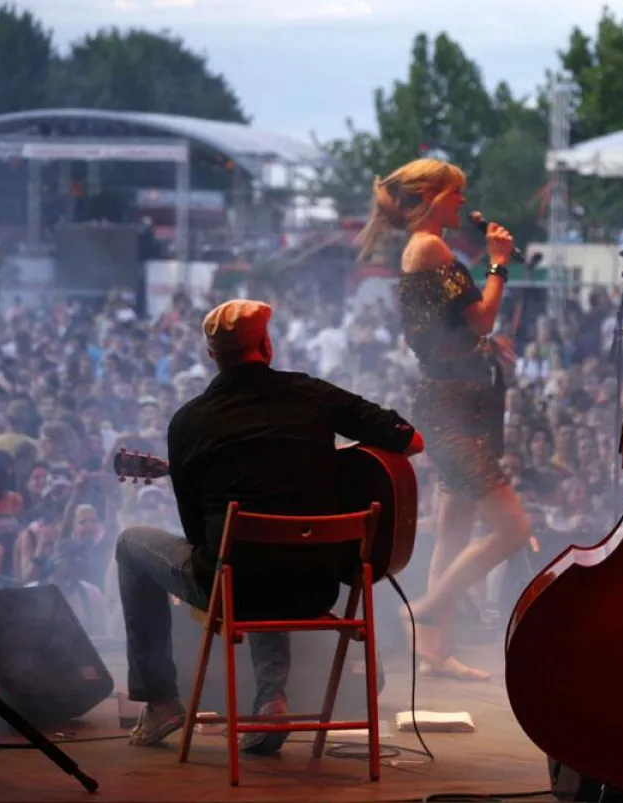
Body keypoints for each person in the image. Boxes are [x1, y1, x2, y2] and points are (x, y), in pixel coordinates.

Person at [115, 299, 423, 751]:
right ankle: (270, 701)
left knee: (137, 545)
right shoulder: (314, 395)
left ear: (211, 356)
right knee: (268, 544)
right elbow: (411, 440)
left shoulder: (189, 422)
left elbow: (201, 537)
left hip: (237, 587)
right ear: (266, 344)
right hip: (318, 585)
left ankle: (160, 700)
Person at [357, 158, 536, 681]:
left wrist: (484, 346)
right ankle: (428, 607)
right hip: (451, 411)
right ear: (433, 194)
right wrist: (499, 262)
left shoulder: (425, 249)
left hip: (462, 401)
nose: (464, 202)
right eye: (457, 194)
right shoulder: (430, 248)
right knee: (511, 529)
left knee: (456, 527)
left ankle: (433, 653)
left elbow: (453, 331)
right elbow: (481, 313)